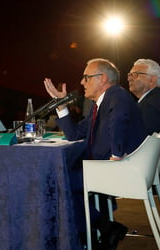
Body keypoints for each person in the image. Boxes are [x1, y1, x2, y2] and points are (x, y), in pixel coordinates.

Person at [43, 58, 147, 249]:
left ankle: (95, 231)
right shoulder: (99, 105)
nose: (82, 82)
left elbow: (120, 121)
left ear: (103, 79)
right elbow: (74, 134)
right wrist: (60, 104)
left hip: (122, 170)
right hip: (109, 167)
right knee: (60, 178)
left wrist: (115, 158)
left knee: (57, 180)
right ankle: (101, 229)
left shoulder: (117, 95)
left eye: (86, 78)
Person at [128, 59, 160, 134]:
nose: (129, 79)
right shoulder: (155, 100)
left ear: (152, 80)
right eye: (129, 75)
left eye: (135, 74)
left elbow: (143, 141)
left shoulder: (151, 105)